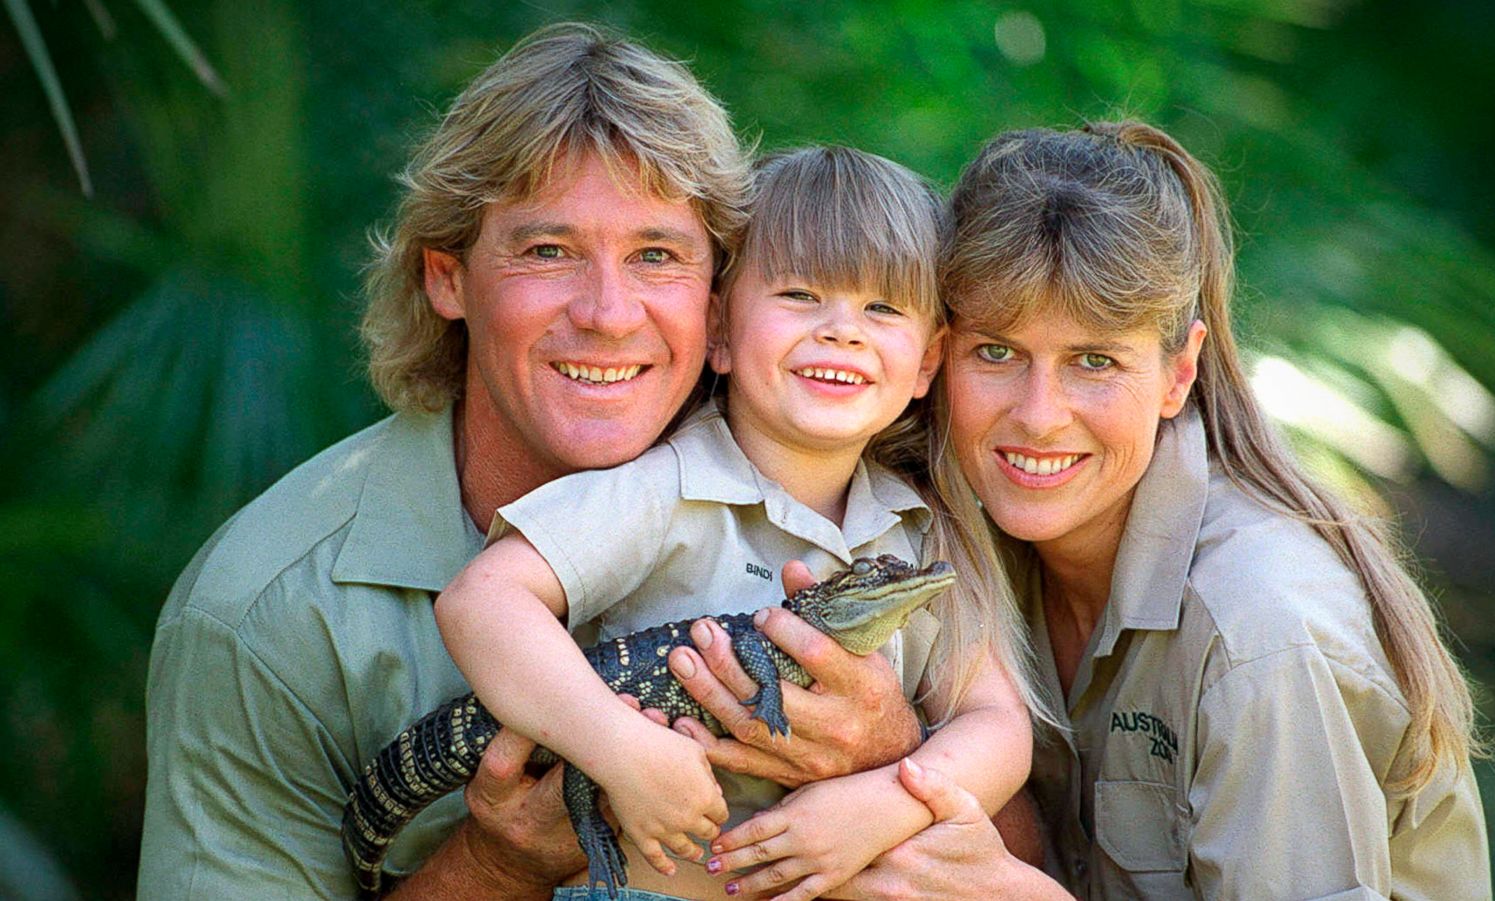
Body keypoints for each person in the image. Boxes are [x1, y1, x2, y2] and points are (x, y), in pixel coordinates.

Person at [138, 25, 920, 900]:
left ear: (718, 298)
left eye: (656, 255)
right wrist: (493, 866)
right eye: (548, 251)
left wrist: (891, 749)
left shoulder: (850, 488)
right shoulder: (261, 611)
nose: (609, 314)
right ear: (448, 277)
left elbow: (1040, 852)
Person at [839, 121, 1491, 900]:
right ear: (939, 356)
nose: (1039, 415)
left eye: (1094, 361)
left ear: (1179, 372)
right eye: (999, 352)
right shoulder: (942, 541)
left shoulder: (1264, 634)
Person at [434, 146, 1037, 901]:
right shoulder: (662, 489)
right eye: (799, 293)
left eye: (882, 308)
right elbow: (482, 602)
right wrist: (619, 749)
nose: (843, 331)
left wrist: (886, 802)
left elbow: (998, 725)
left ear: (926, 362)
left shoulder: (922, 531)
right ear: (718, 327)